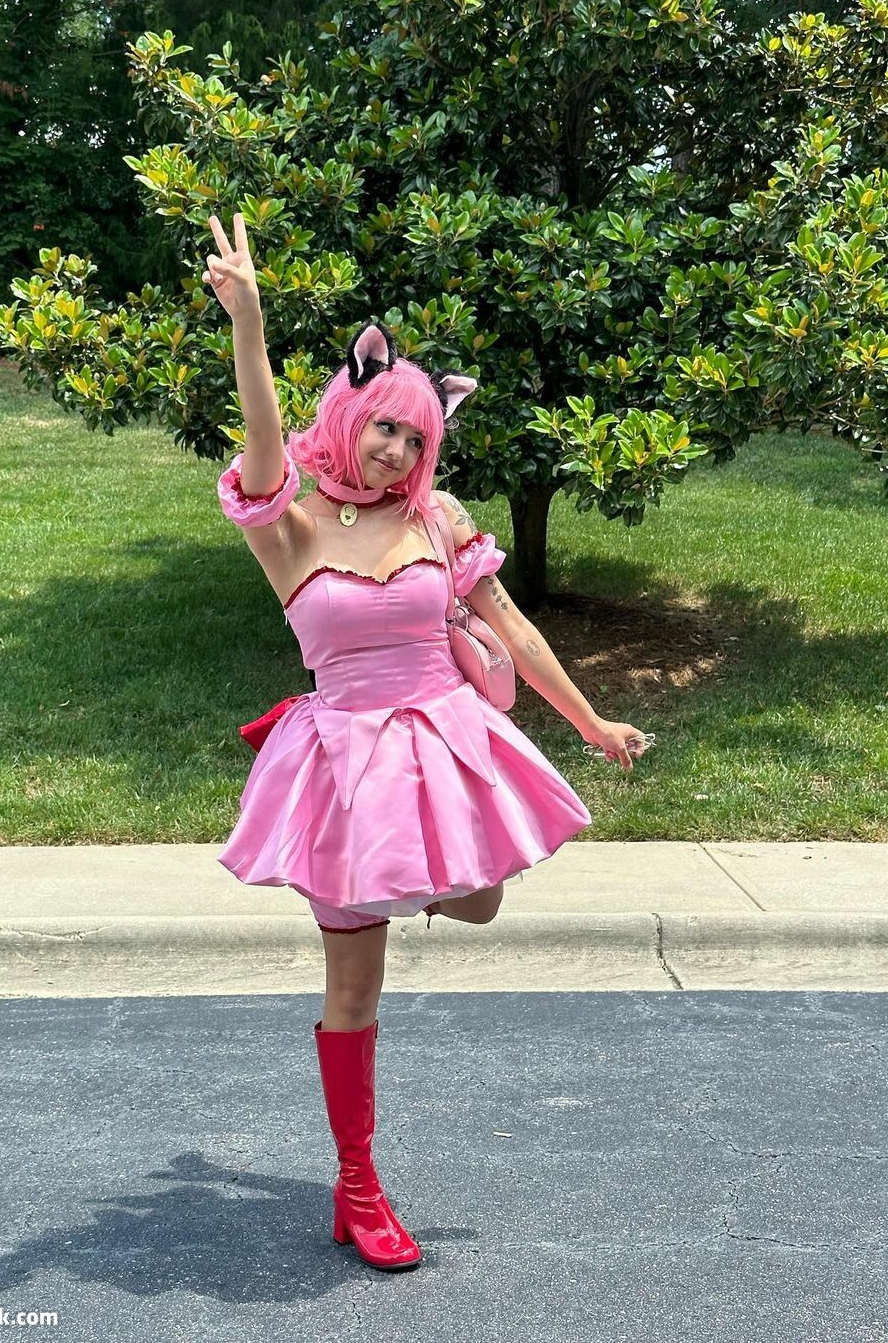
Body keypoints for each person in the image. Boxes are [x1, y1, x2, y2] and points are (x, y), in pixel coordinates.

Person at [205, 211, 649, 1272]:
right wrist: (249, 326)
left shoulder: (436, 519)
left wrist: (589, 720)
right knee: (355, 986)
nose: (398, 449)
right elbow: (261, 441)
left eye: (415, 437)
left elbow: (512, 627)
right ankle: (358, 1187)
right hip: (339, 771)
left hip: (442, 748)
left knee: (483, 899)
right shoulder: (290, 527)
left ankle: (409, 887)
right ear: (346, 416)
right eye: (384, 429)